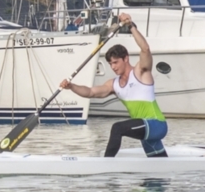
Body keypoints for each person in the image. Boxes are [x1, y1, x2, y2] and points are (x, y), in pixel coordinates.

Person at [61, 12, 168, 157]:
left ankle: (106, 164)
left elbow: (145, 49)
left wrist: (130, 26)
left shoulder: (140, 72)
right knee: (158, 164)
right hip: (143, 128)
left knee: (117, 128)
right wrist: (71, 86)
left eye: (116, 62)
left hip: (156, 125)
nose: (113, 67)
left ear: (126, 59)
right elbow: (90, 92)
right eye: (110, 63)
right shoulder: (114, 84)